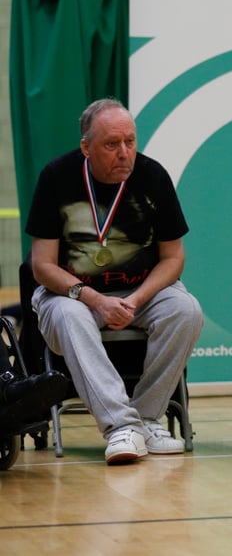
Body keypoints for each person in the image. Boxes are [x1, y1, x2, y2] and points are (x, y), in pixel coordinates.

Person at [25, 98, 204, 464]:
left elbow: (174, 259)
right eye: (111, 144)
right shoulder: (56, 178)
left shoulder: (153, 176)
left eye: (130, 142)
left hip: (138, 292)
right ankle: (120, 427)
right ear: (86, 148)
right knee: (71, 317)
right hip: (70, 294)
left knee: (186, 310)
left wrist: (136, 300)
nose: (124, 153)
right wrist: (93, 299)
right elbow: (42, 265)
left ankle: (147, 417)